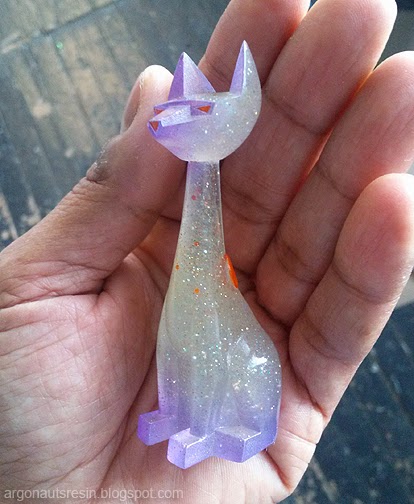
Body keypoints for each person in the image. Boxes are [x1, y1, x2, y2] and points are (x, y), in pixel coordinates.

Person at [1, 0, 413, 502]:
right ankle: (176, 413)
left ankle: (210, 425)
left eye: (193, 111)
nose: (166, 118)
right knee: (180, 329)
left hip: (243, 390)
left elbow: (213, 350)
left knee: (210, 339)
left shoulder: (218, 152)